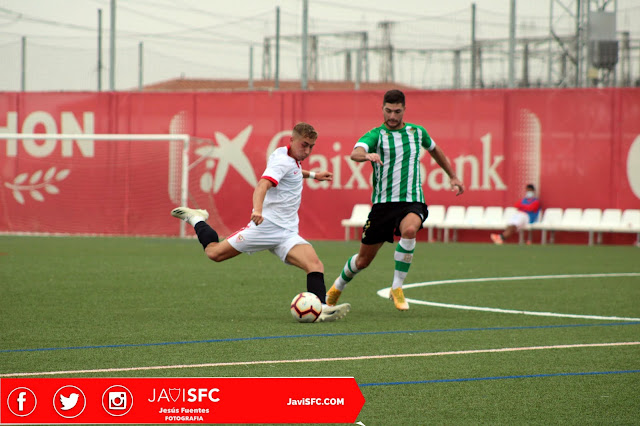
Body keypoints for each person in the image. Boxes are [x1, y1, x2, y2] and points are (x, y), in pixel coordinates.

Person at [171, 122, 350, 322]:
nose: (307, 150)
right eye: (304, 145)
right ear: (292, 141)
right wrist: (257, 210)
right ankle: (196, 218)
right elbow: (262, 185)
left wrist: (314, 175)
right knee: (214, 253)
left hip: (287, 232)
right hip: (266, 228)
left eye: (311, 147)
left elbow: (292, 172)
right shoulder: (281, 161)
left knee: (315, 264)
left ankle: (321, 308)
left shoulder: (287, 157)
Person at [327, 89, 465, 311]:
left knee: (410, 230)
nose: (392, 116)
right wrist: (367, 155)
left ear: (404, 110)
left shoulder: (417, 132)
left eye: (397, 111)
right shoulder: (376, 135)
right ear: (382, 109)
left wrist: (453, 176)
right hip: (382, 206)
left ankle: (397, 287)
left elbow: (435, 150)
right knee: (362, 261)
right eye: (388, 111)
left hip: (412, 200)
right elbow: (355, 152)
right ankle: (337, 286)